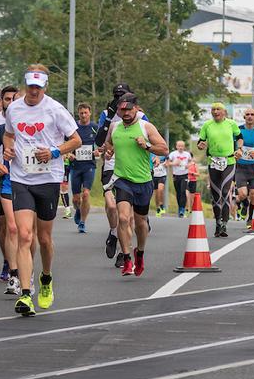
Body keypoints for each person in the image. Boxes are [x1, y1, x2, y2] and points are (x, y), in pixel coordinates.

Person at [2, 65, 80, 316]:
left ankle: (46, 277)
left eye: (39, 86)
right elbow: (8, 135)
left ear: (45, 87)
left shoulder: (55, 109)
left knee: (44, 239)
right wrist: (8, 148)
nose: (34, 91)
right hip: (21, 177)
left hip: (48, 178)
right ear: (25, 84)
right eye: (30, 85)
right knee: (24, 235)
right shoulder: (14, 108)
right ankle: (26, 294)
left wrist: (54, 151)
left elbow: (76, 140)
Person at [103, 93, 168, 276]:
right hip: (122, 180)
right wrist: (108, 152)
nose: (125, 113)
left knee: (140, 224)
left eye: (129, 109)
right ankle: (126, 258)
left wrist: (146, 146)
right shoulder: (114, 127)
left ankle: (139, 252)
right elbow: (108, 145)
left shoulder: (145, 127)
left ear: (136, 109)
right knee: (123, 218)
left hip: (144, 181)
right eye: (122, 109)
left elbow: (164, 149)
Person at [0, 86, 19, 280]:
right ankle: (8, 261)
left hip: (23, 180)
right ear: (2, 101)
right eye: (7, 99)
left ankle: (20, 265)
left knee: (19, 226)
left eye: (13, 99)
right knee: (5, 224)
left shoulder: (25, 120)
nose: (10, 102)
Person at [196, 102, 241, 238]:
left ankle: (224, 223)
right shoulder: (207, 125)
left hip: (229, 161)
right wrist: (201, 145)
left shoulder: (231, 124)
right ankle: (217, 222)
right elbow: (200, 142)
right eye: (213, 109)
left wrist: (239, 149)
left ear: (224, 112)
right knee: (216, 193)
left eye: (218, 109)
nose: (216, 112)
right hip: (213, 161)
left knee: (226, 191)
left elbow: (239, 138)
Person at [69, 102, 97, 233]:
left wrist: (98, 152)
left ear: (90, 113)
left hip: (89, 166)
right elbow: (65, 143)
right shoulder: (73, 127)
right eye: (81, 113)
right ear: (78, 114)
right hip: (75, 166)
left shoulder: (95, 128)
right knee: (75, 198)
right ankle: (78, 210)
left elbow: (101, 145)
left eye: (86, 113)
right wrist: (69, 154)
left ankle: (82, 222)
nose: (84, 115)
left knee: (86, 194)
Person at [167, 140, 192, 217]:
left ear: (184, 147)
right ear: (176, 146)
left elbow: (191, 162)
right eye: (179, 146)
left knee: (183, 191)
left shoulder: (187, 154)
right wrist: (174, 163)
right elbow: (167, 163)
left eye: (182, 146)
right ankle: (180, 207)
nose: (180, 147)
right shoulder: (173, 154)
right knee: (178, 192)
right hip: (176, 175)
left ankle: (182, 209)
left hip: (184, 175)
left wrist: (189, 165)